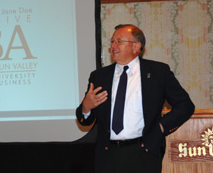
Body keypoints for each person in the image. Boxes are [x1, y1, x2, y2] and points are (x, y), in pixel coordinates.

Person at [76, 24, 195, 173]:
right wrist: (86, 108)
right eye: (112, 41)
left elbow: (185, 105)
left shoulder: (158, 72)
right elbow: (85, 119)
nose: (113, 46)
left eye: (119, 41)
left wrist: (160, 127)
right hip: (108, 155)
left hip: (143, 152)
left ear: (136, 47)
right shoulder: (99, 76)